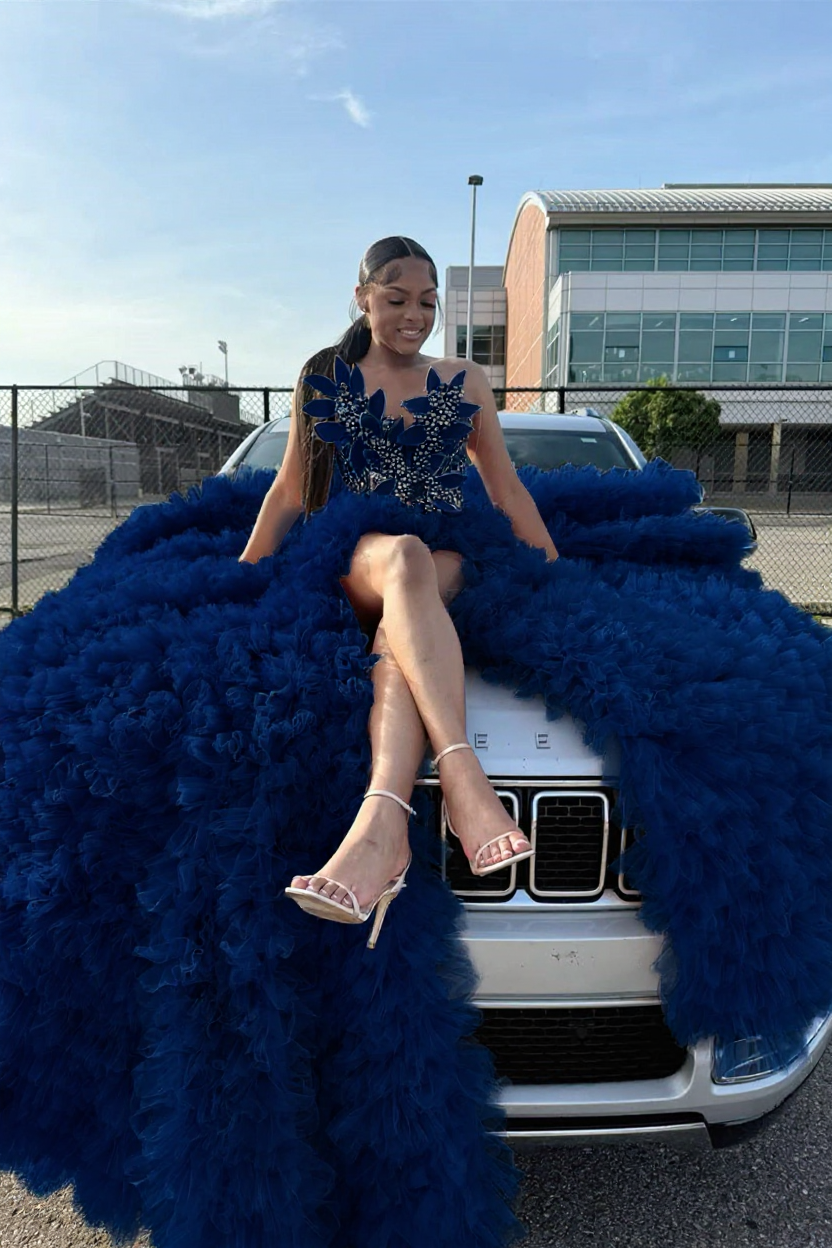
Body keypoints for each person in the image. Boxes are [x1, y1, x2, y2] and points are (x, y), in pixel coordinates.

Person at [240, 235, 558, 945]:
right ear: (363, 299)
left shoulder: (467, 379)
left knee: (407, 605)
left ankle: (383, 827)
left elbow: (505, 490)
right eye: (396, 300)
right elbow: (292, 487)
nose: (414, 315)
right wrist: (244, 574)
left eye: (427, 303)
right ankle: (464, 781)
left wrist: (555, 572)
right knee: (404, 561)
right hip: (360, 553)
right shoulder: (324, 374)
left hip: (448, 551)